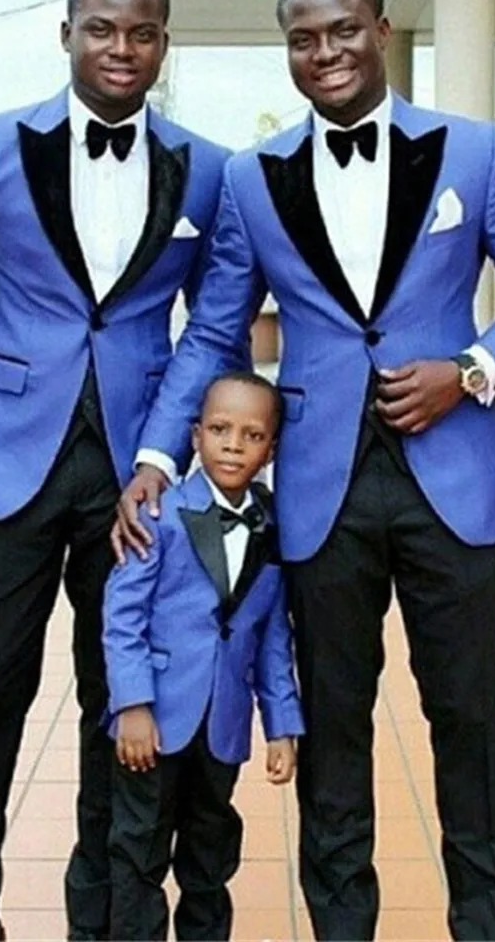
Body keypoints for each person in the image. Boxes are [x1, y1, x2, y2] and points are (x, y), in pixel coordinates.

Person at [112, 0, 495, 939]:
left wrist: (471, 369)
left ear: (379, 31)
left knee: (471, 725)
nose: (325, 51)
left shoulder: (472, 152)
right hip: (319, 489)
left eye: (343, 31)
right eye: (304, 39)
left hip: (452, 481)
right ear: (287, 50)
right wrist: (159, 454)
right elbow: (214, 331)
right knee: (333, 729)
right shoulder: (253, 178)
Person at [0, 0, 233, 937]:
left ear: (163, 43)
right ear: (66, 34)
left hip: (134, 473)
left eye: (142, 33)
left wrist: (162, 453)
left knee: (120, 699)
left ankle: (108, 916)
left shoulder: (206, 169)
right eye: (102, 29)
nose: (122, 48)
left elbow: (212, 326)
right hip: (2, 466)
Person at [102, 370, 304, 941]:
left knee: (211, 856)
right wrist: (132, 705)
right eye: (219, 429)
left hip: (223, 727)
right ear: (195, 436)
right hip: (155, 723)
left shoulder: (271, 527)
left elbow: (272, 638)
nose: (233, 445)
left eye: (252, 435)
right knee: (138, 851)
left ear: (271, 448)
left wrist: (281, 725)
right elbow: (122, 617)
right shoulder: (157, 514)